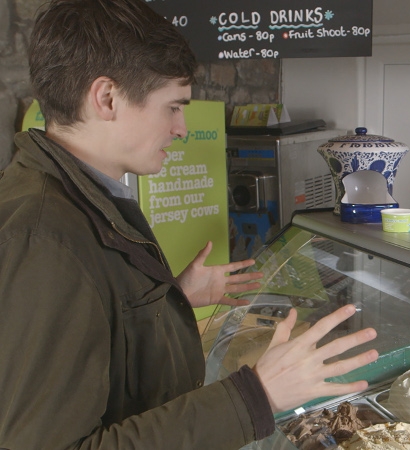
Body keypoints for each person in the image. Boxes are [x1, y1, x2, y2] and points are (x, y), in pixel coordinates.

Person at [0, 0, 378, 448]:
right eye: (173, 107)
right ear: (107, 98)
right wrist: (256, 395)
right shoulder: (44, 238)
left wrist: (169, 299)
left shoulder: (83, 194)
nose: (181, 128)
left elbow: (96, 337)